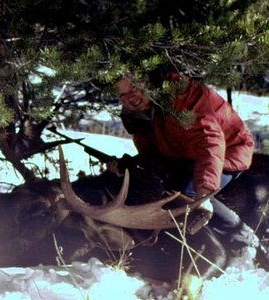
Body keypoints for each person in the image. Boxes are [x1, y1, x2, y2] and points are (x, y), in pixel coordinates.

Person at [108, 67, 263, 263]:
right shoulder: (138, 113)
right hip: (184, 158)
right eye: (122, 95)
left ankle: (242, 238)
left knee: (184, 198)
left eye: (134, 89)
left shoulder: (184, 96)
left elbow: (210, 144)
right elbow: (154, 153)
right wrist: (131, 164)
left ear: (148, 81)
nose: (130, 98)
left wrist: (203, 192)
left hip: (228, 152)